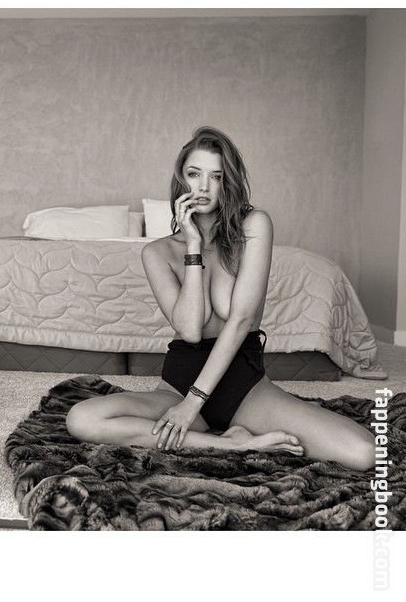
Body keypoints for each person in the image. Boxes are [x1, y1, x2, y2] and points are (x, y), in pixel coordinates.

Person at [66, 126, 375, 471]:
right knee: (82, 419)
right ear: (181, 178)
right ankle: (230, 445)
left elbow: (241, 320)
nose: (203, 186)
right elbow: (190, 330)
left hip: (243, 389)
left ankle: (222, 433)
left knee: (365, 453)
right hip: (178, 386)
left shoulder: (254, 226)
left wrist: (193, 404)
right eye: (194, 174)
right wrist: (193, 246)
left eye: (216, 176)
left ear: (228, 182)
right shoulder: (157, 252)